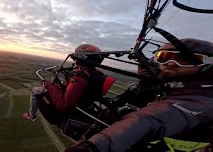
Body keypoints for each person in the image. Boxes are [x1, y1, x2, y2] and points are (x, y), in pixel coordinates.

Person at [65, 38, 213, 152]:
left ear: (208, 63)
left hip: (169, 143)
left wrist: (94, 147)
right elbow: (151, 76)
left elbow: (149, 119)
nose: (171, 63)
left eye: (184, 59)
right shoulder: (180, 81)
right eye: (163, 57)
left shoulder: (203, 97)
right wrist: (143, 59)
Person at [23, 44, 107, 123]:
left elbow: (63, 106)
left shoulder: (79, 79)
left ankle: (31, 115)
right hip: (84, 101)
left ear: (82, 60)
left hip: (66, 112)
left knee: (35, 90)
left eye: (76, 58)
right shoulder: (97, 74)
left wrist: (49, 85)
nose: (75, 61)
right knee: (58, 84)